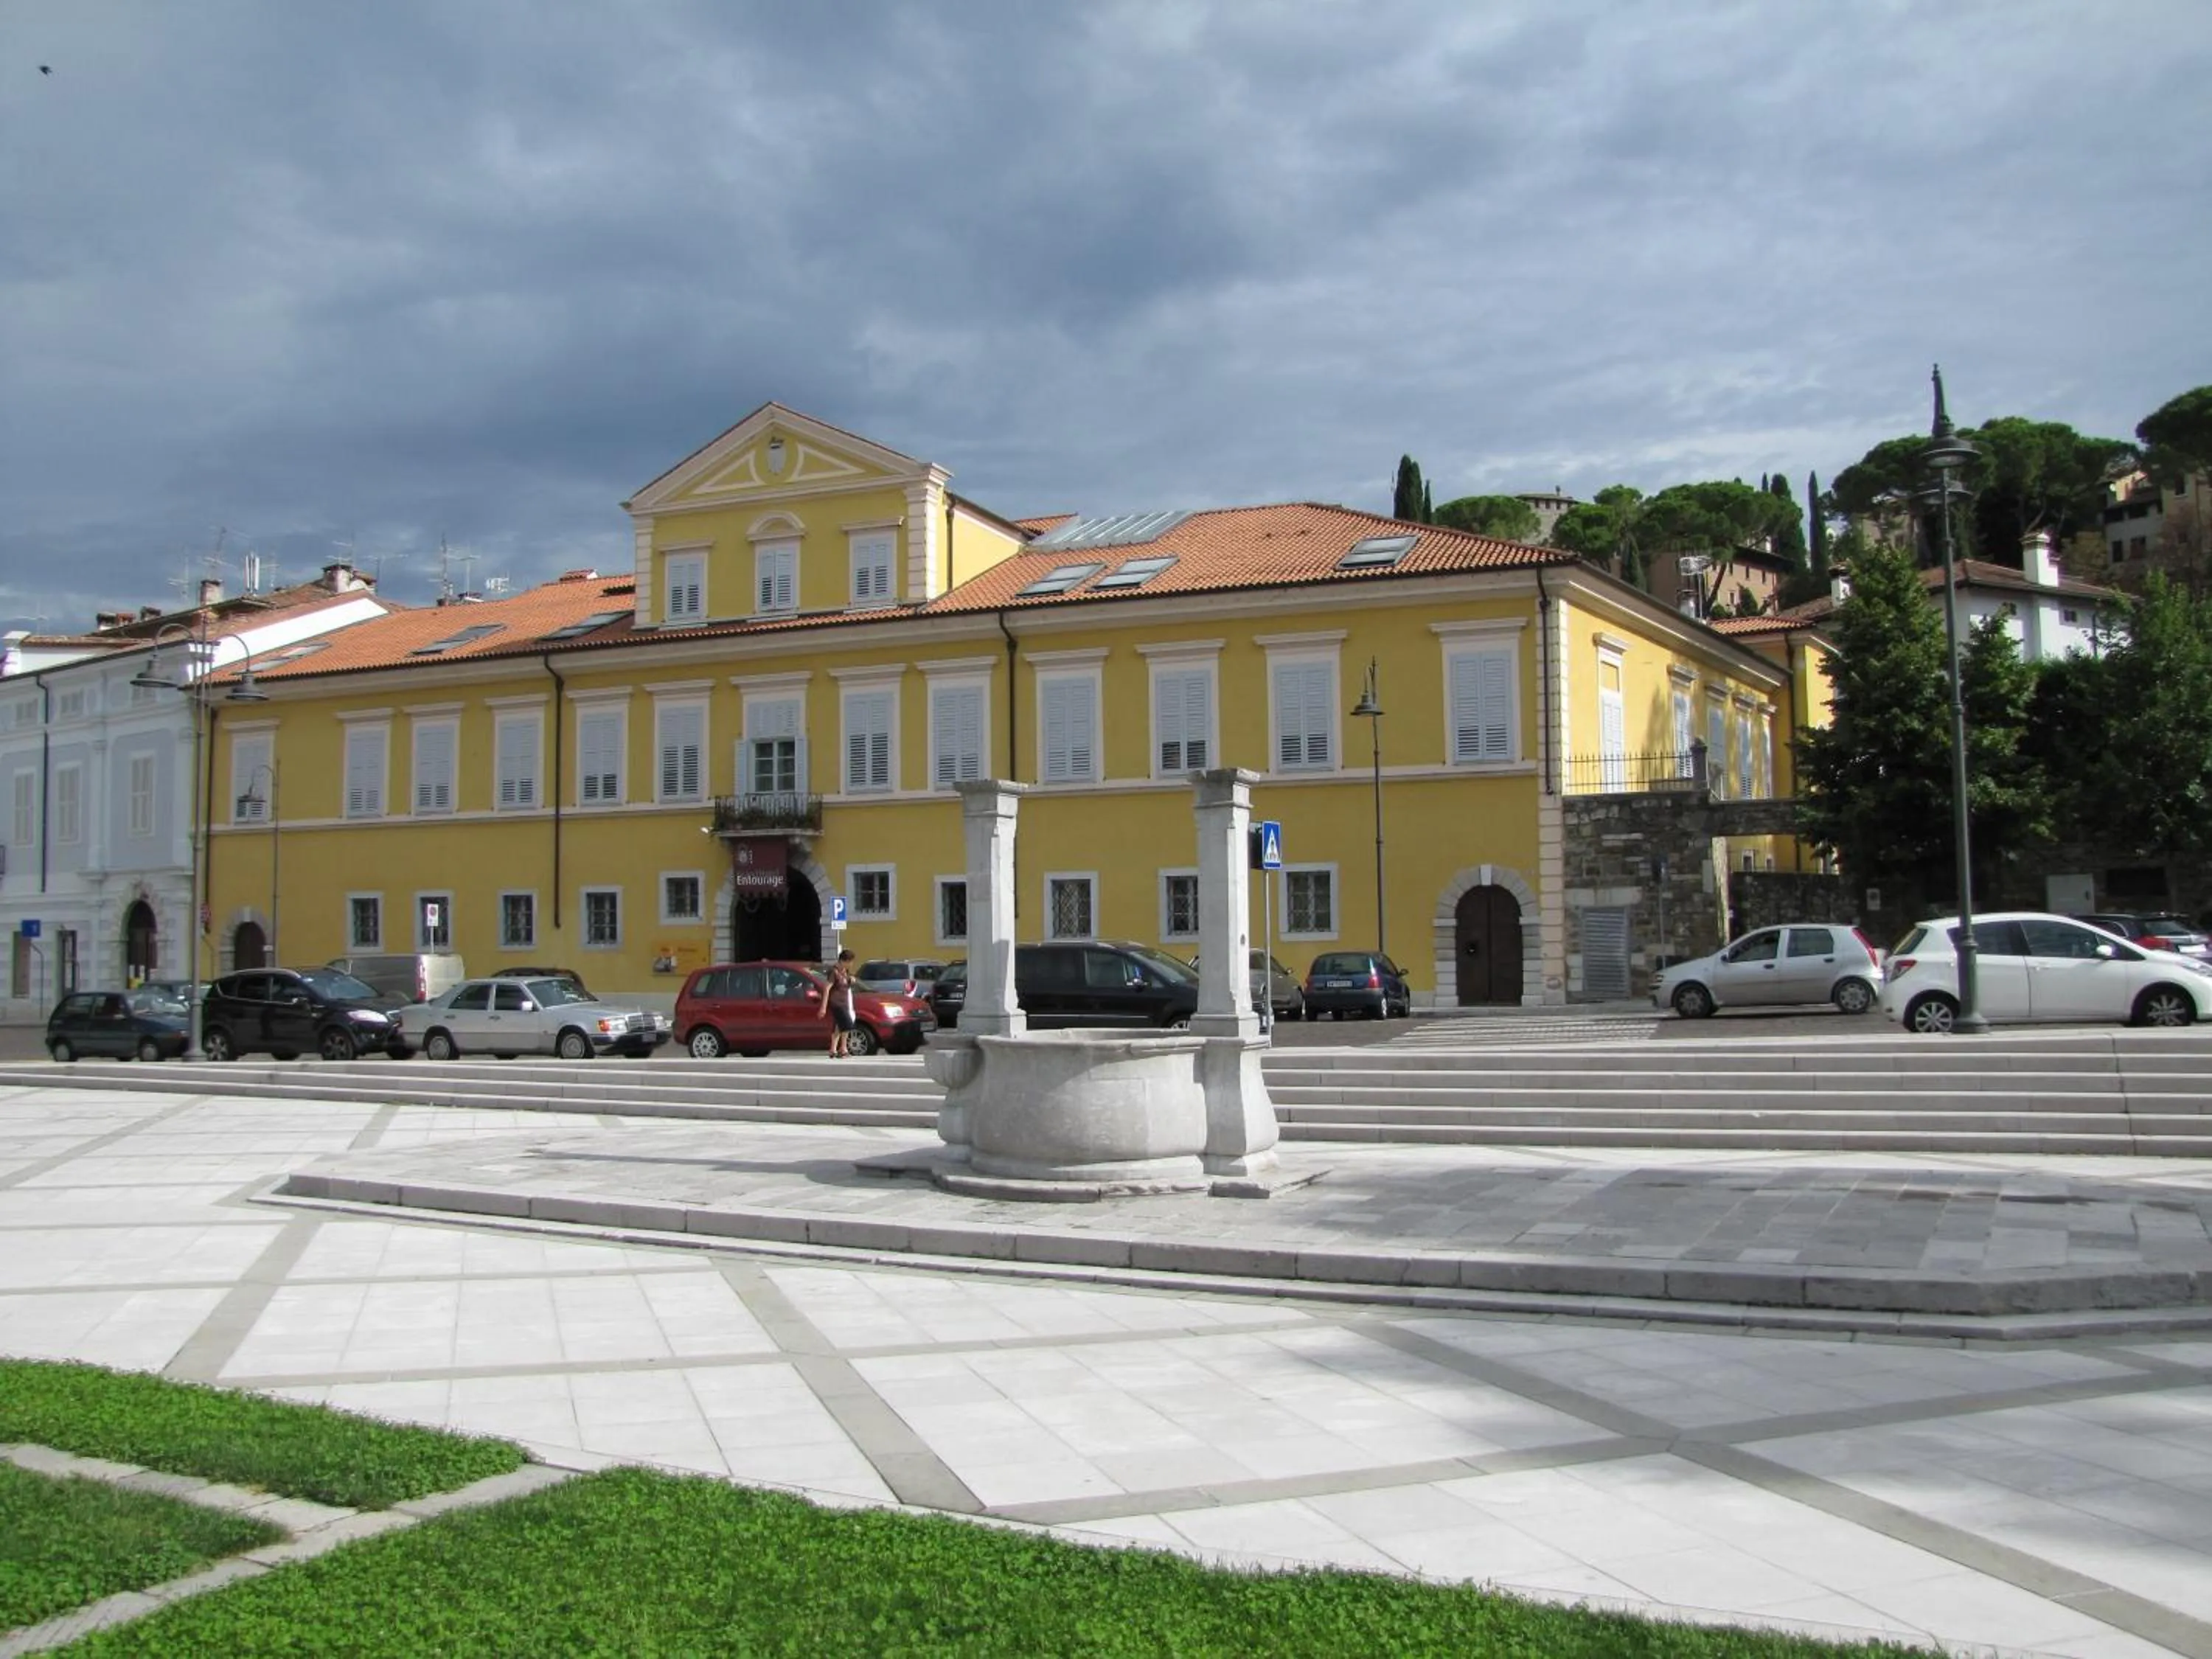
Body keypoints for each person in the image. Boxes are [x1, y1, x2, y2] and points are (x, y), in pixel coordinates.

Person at [825, 949, 858, 1057]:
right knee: (847, 1024)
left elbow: (845, 983)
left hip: (845, 1003)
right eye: (850, 962)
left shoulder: (845, 971)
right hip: (837, 1003)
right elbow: (827, 989)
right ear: (844, 961)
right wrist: (823, 1007)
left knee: (840, 1026)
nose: (851, 964)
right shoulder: (834, 971)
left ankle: (835, 1049)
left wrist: (851, 980)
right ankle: (842, 1049)